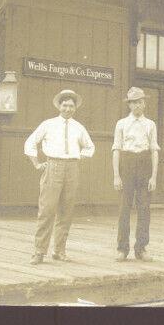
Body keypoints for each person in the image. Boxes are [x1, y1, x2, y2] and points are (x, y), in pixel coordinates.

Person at [24, 89, 95, 265]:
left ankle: (59, 250)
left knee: (66, 211)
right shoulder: (48, 124)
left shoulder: (79, 127)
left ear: (75, 108)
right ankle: (39, 251)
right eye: (65, 105)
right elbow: (30, 142)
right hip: (53, 166)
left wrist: (79, 157)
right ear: (59, 106)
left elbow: (90, 147)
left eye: (71, 106)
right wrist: (37, 163)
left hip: (72, 168)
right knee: (47, 210)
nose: (68, 109)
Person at [112, 87, 160, 262]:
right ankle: (122, 249)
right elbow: (116, 150)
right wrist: (117, 175)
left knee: (144, 208)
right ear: (129, 105)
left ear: (144, 104)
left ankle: (141, 248)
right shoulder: (122, 124)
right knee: (124, 208)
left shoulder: (150, 124)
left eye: (140, 102)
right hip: (127, 164)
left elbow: (154, 150)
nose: (137, 105)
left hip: (144, 164)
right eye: (134, 102)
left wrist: (153, 176)